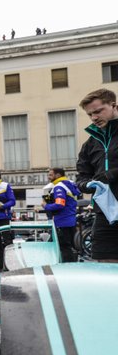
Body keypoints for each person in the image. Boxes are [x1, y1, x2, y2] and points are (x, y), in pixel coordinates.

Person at [75, 88, 118, 262]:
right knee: (104, 267)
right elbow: (81, 177)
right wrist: (88, 185)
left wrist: (111, 175)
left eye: (98, 111)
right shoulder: (90, 144)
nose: (94, 118)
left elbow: (107, 176)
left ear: (114, 106)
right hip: (104, 214)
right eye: (90, 114)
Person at [42, 168, 81, 263]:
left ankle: (67, 269)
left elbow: (59, 204)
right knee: (72, 246)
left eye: (51, 175)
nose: (48, 177)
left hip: (62, 221)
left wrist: (46, 205)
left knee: (64, 247)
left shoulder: (59, 187)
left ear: (58, 175)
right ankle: (74, 267)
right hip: (71, 220)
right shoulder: (69, 183)